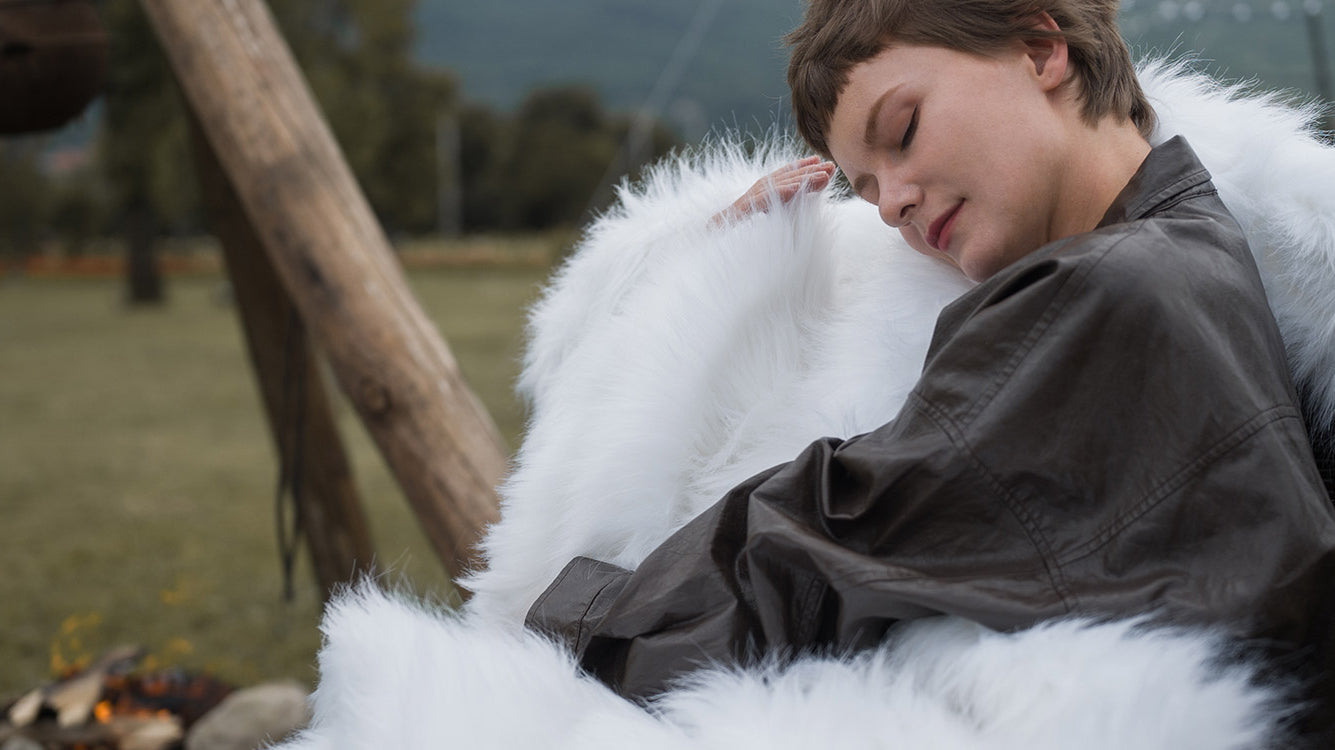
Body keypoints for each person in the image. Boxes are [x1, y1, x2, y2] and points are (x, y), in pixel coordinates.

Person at [526, 0, 1335, 737]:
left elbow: (810, 543)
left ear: (1039, 46)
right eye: (865, 186)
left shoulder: (1109, 293)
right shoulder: (1185, 246)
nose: (890, 204)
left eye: (904, 129)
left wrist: (554, 622)